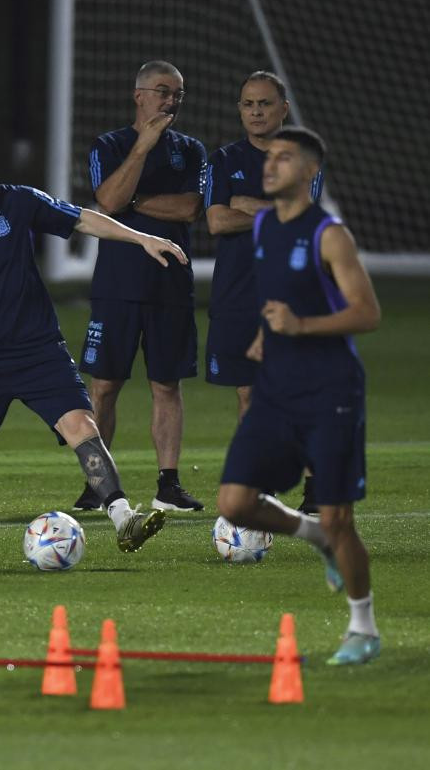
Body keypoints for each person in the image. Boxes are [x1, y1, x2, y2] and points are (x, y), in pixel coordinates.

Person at [0, 133, 186, 561]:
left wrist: (142, 239)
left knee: (84, 429)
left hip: (38, 350)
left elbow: (81, 218)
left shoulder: (15, 202)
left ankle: (123, 518)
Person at [217, 127, 381, 665]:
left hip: (330, 391)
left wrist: (299, 324)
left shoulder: (329, 235)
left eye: (284, 158)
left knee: (342, 517)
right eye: (270, 157)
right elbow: (278, 300)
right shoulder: (263, 227)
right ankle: (313, 536)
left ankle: (363, 627)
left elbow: (366, 312)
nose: (270, 164)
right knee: (234, 502)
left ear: (310, 172)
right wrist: (270, 333)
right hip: (276, 391)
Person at [75, 60, 206, 514]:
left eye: (178, 94)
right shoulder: (109, 145)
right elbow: (106, 201)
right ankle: (98, 485)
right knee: (105, 385)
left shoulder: (190, 150)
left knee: (166, 385)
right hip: (118, 284)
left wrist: (132, 202)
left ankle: (168, 485)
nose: (171, 101)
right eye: (163, 91)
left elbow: (191, 207)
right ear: (139, 95)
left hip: (171, 283)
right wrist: (142, 149)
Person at [203, 71, 323, 513]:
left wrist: (246, 206)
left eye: (265, 104)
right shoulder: (222, 160)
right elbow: (215, 221)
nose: (256, 111)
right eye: (248, 104)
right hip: (236, 294)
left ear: (283, 109)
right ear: (240, 109)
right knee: (248, 395)